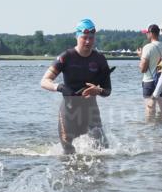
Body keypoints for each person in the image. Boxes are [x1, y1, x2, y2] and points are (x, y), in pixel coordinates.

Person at [40, 19, 112, 154]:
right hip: (69, 111)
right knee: (68, 151)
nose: (88, 41)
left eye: (91, 38)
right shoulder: (66, 57)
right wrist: (60, 87)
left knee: (104, 150)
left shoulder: (100, 59)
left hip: (91, 110)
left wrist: (98, 90)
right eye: (84, 38)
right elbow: (44, 81)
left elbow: (108, 90)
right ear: (77, 37)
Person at [137, 24, 162, 120]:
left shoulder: (147, 47)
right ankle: (160, 130)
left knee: (150, 108)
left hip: (149, 81)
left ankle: (150, 130)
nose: (146, 35)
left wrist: (141, 57)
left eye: (147, 33)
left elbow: (143, 69)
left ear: (151, 33)